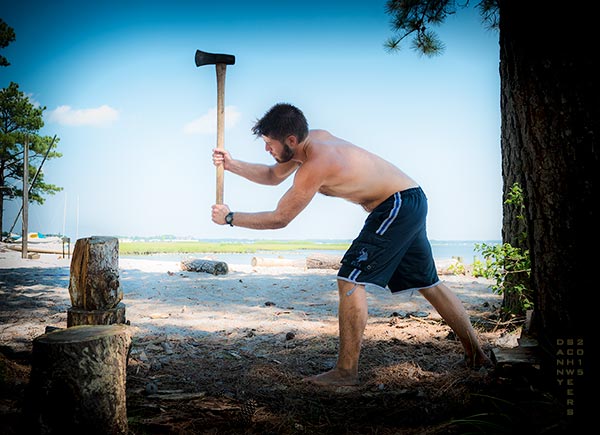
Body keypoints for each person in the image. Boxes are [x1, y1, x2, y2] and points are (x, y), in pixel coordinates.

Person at [211, 103, 491, 386]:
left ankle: (346, 372)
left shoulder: (316, 164)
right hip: (410, 198)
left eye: (270, 144)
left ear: (291, 141)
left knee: (350, 279)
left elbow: (280, 218)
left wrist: (231, 218)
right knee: (428, 282)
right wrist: (232, 165)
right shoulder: (311, 139)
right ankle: (477, 355)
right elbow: (272, 176)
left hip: (395, 205)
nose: (267, 150)